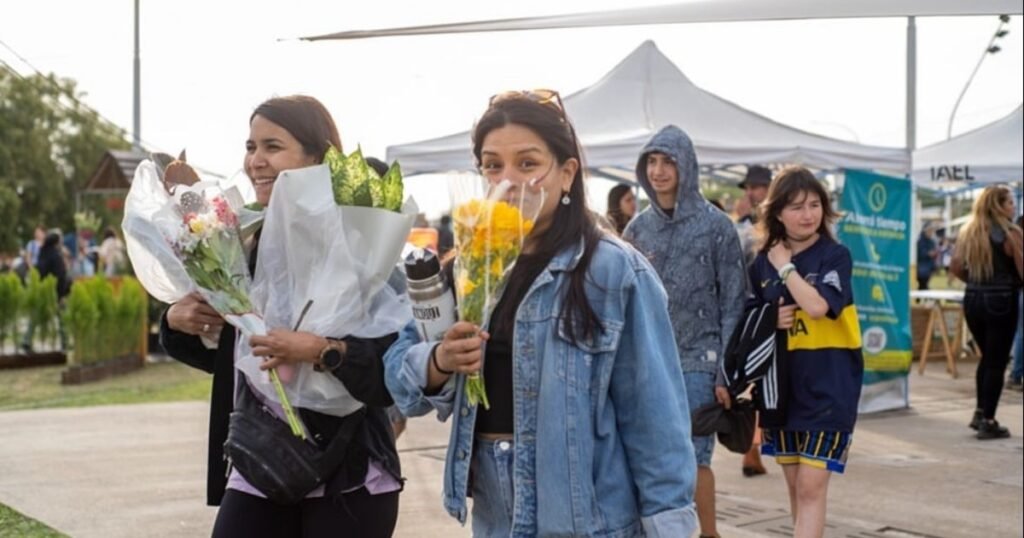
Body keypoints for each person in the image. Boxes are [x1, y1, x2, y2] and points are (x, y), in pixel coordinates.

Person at [385, 90, 698, 537]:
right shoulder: (468, 269)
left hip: (590, 520)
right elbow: (400, 382)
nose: (508, 180)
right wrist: (439, 361)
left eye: (528, 164)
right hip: (495, 514)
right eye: (493, 165)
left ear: (567, 173)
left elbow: (656, 425)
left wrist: (670, 528)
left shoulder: (614, 270)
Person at [160, 95, 402, 537]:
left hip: (348, 474)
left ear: (318, 156)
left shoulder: (364, 235)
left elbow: (395, 363)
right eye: (251, 147)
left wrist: (321, 351)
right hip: (262, 461)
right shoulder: (239, 240)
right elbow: (237, 357)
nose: (256, 161)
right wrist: (180, 320)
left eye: (272, 147)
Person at [622, 124, 747, 538]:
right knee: (649, 457)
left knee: (693, 458)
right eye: (652, 162)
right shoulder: (636, 231)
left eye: (668, 161)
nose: (658, 171)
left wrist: (726, 371)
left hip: (700, 361)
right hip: (648, 359)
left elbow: (734, 302)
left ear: (686, 166)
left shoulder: (717, 227)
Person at [747, 166, 863, 538]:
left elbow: (816, 306)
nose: (808, 214)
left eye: (815, 204)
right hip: (781, 392)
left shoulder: (835, 256)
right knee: (797, 489)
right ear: (777, 212)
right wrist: (770, 318)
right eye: (797, 207)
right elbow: (746, 322)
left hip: (830, 390)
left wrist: (785, 270)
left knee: (811, 489)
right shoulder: (760, 263)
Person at [950, 185, 1023, 440]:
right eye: (1010, 202)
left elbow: (956, 267)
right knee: (997, 361)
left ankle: (980, 412)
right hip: (1002, 299)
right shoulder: (1010, 233)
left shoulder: (968, 232)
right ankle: (988, 420)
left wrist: (977, 281)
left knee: (987, 358)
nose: (1014, 206)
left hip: (973, 298)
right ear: (998, 205)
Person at [22, 230, 71, 352]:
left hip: (42, 289)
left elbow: (39, 271)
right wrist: (62, 294)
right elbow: (61, 276)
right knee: (62, 319)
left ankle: (26, 341)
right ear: (57, 242)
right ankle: (65, 343)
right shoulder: (56, 256)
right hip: (55, 291)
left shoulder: (42, 254)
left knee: (35, 316)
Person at [916, 224, 939, 291]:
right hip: (922, 267)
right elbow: (921, 253)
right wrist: (928, 253)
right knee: (923, 285)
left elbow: (935, 251)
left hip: (929, 267)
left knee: (924, 285)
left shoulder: (931, 241)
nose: (931, 233)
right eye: (929, 231)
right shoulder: (920, 241)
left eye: (932, 231)